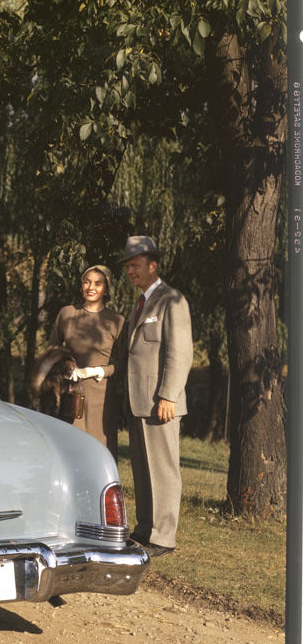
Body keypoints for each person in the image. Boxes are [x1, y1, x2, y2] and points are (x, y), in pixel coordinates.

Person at [120, 235, 193, 557]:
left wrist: (168, 396)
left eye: (135, 266)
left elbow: (181, 353)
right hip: (139, 401)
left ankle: (163, 537)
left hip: (161, 402)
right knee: (143, 468)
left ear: (152, 265)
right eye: (127, 267)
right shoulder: (141, 302)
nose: (130, 272)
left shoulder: (171, 300)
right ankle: (144, 529)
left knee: (162, 470)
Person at [49, 264, 125, 455]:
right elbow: (53, 350)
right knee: (69, 446)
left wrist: (99, 371)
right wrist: (65, 368)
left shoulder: (117, 321)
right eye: (87, 282)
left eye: (98, 284)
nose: (91, 287)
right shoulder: (67, 313)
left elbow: (123, 363)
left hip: (101, 396)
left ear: (106, 288)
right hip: (70, 391)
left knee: (100, 448)